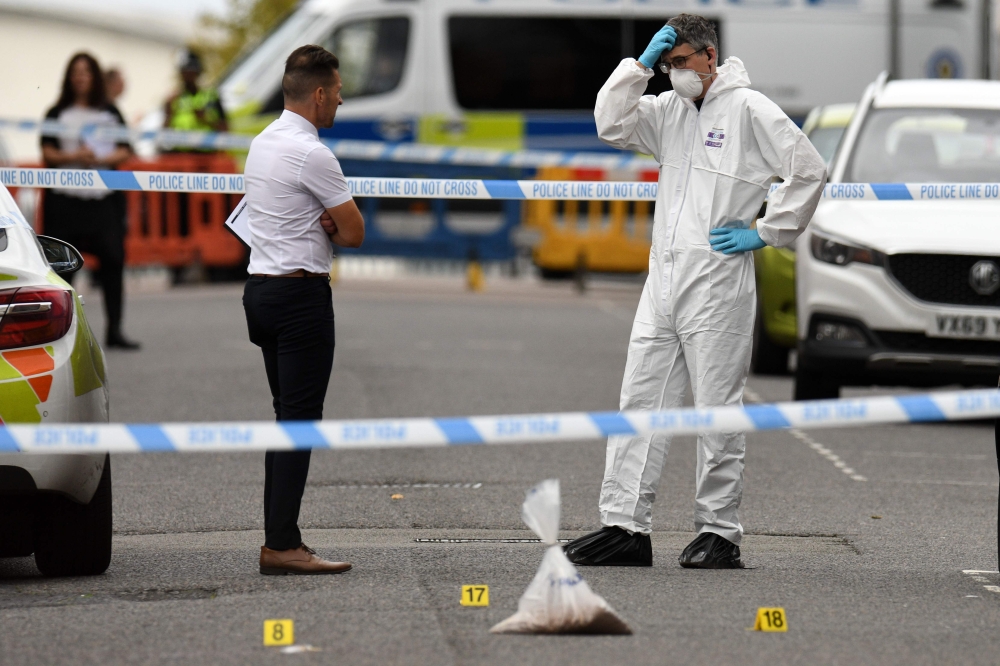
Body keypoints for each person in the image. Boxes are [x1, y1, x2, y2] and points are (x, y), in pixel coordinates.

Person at [564, 14, 827, 569]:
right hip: (663, 280)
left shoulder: (751, 110)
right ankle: (624, 526)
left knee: (716, 410)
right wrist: (638, 68)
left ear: (710, 57)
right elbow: (610, 124)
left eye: (680, 62)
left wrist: (764, 231)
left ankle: (719, 530)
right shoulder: (668, 111)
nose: (674, 73)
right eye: (667, 64)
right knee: (639, 400)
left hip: (717, 281)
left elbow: (808, 169)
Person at [243, 44, 365, 575]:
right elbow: (356, 231)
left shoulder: (262, 143)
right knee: (298, 423)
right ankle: (282, 544)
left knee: (285, 419)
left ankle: (280, 538)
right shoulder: (314, 154)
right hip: (300, 299)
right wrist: (332, 221)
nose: (340, 101)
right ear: (318, 94)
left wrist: (324, 218)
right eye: (337, 93)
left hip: (261, 292)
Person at [41, 52, 140, 350]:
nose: (81, 77)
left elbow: (126, 149)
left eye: (86, 72)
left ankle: (115, 329)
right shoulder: (56, 113)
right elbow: (48, 153)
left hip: (101, 203)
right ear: (68, 78)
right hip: (66, 203)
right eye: (76, 72)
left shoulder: (109, 111)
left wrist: (101, 159)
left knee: (113, 261)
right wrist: (75, 157)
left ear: (95, 76)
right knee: (63, 270)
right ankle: (60, 333)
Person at [163, 51, 227, 135]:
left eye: (190, 71)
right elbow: (164, 133)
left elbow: (225, 129)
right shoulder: (173, 99)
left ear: (197, 72)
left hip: (206, 147)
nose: (186, 75)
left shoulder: (211, 96)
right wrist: (168, 115)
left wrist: (205, 119)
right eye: (184, 71)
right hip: (179, 147)